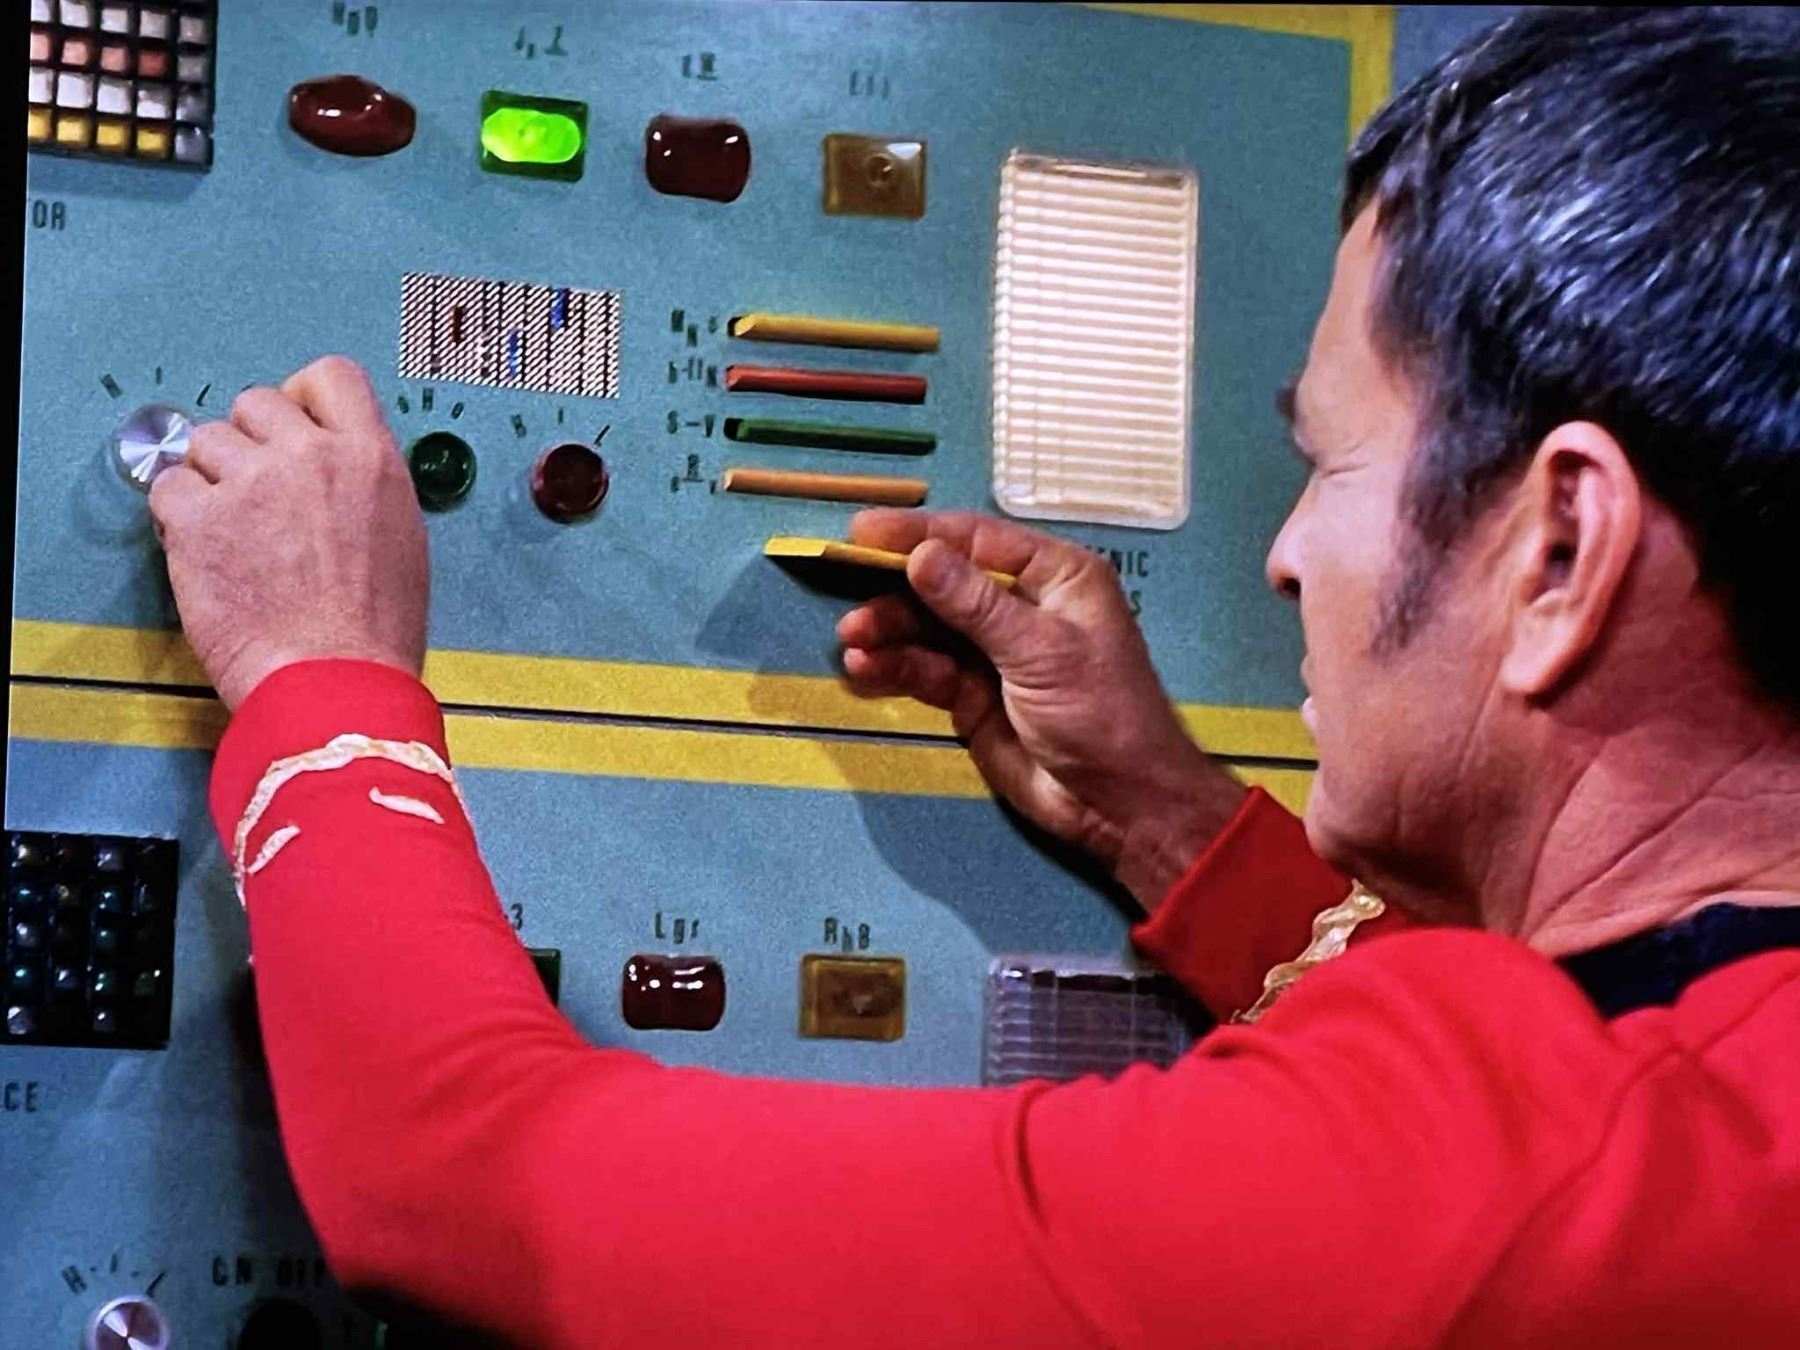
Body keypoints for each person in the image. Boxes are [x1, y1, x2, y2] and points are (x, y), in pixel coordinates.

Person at [149, 7, 1800, 1347]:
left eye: (1329, 466)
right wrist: (1163, 819)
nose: (1287, 556)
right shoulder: (1701, 1123)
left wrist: (320, 675)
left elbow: (456, 1177)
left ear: (1562, 549)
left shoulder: (1502, 1180)